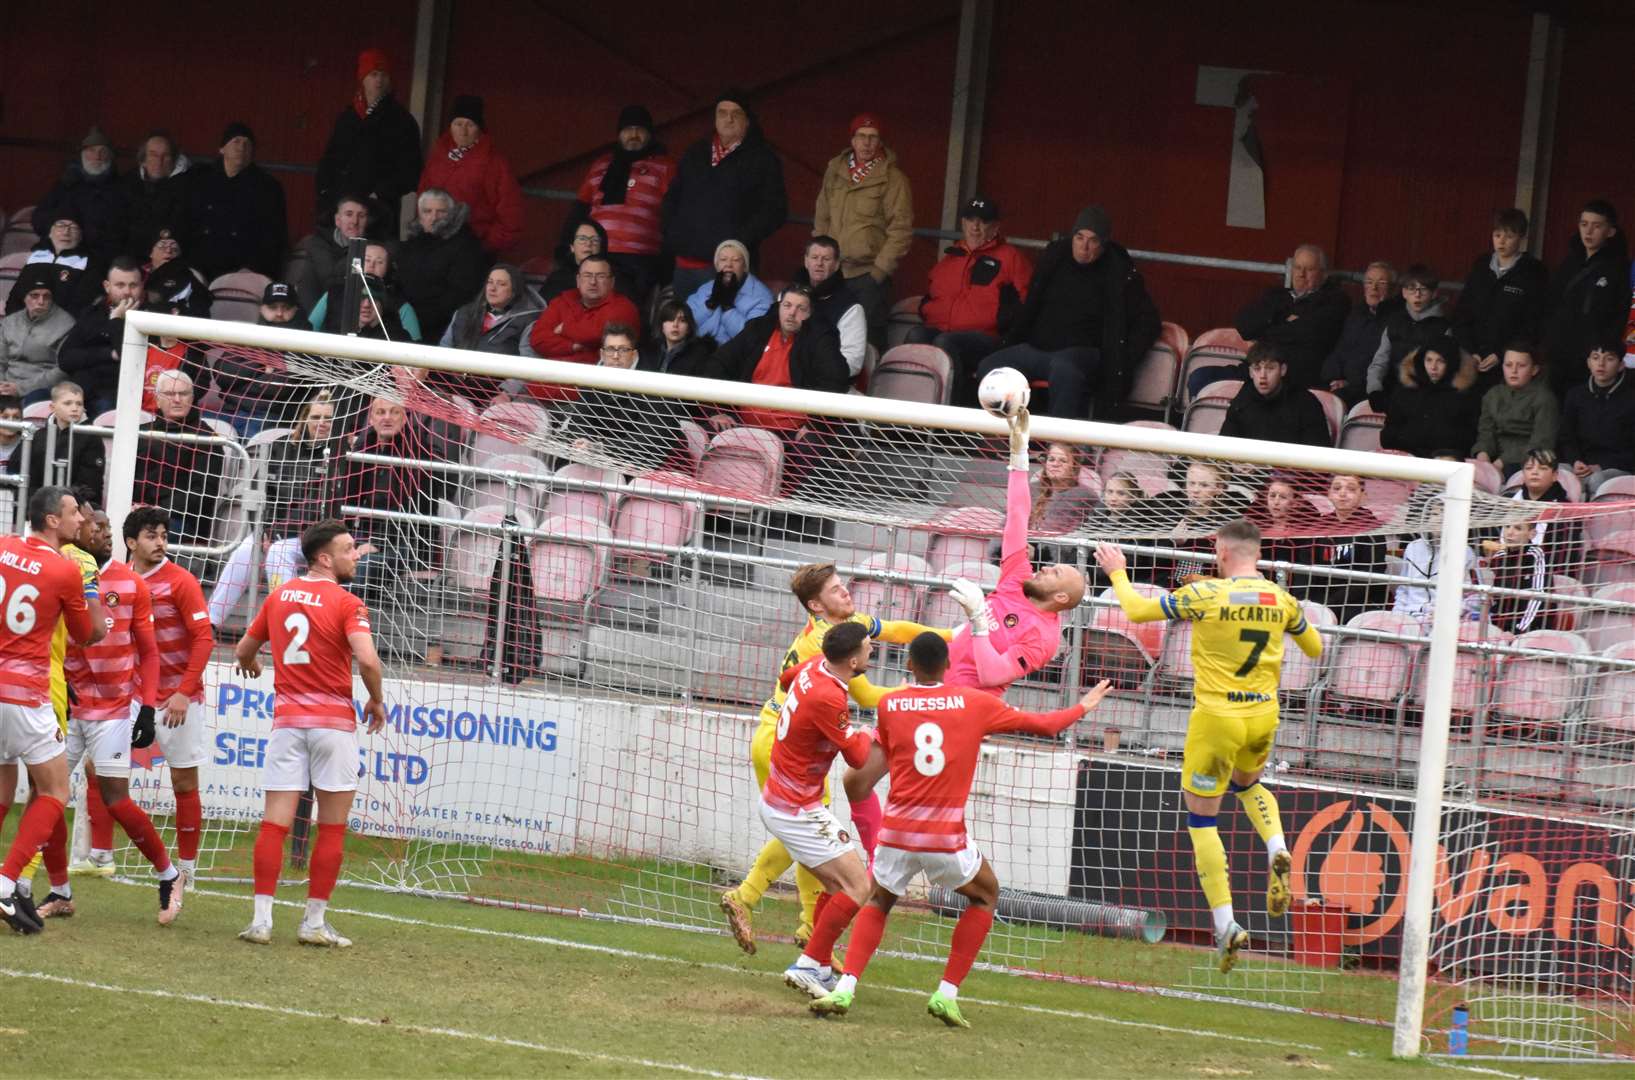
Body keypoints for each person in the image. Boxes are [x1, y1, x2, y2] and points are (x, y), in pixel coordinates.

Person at [808, 632, 1110, 1026]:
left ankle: (846, 986)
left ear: (910, 666)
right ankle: (946, 993)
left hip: (897, 830)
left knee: (879, 902)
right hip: (944, 836)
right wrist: (1083, 706)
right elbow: (1044, 725)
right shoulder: (976, 703)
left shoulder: (890, 704)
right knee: (986, 895)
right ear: (948, 665)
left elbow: (880, 753)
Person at [1095, 519, 1322, 972]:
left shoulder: (1207, 595)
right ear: (1257, 553)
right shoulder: (1282, 598)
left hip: (1217, 718)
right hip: (1262, 714)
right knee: (1249, 784)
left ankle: (1226, 925)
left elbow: (1138, 613)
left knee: (1202, 819)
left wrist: (1117, 572)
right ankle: (1276, 845)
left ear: (1220, 552)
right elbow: (1314, 649)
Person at [718, 562, 948, 954]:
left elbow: (896, 629)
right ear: (816, 605)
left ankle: (808, 925)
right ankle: (748, 896)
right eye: (835, 590)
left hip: (786, 730)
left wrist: (952, 637)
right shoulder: (824, 644)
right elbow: (867, 699)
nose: (846, 593)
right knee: (804, 828)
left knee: (809, 832)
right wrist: (918, 693)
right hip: (783, 737)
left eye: (844, 586)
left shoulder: (844, 627)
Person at [234, 519, 388, 947]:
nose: (356, 555)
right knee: (333, 828)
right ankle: (313, 922)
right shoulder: (347, 602)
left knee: (274, 822)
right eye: (349, 549)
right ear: (325, 558)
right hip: (333, 725)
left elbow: (245, 650)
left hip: (287, 723)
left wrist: (253, 664)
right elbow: (369, 661)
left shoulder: (280, 595)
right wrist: (375, 699)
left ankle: (261, 921)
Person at [51, 507, 182, 923]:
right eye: (97, 527)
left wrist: (145, 708)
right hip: (68, 705)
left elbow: (149, 651)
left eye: (108, 528)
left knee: (115, 797)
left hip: (112, 708)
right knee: (47, 796)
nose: (105, 534)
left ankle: (168, 874)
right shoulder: (60, 576)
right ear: (77, 532)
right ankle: (58, 890)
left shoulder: (130, 584)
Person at [0, 486, 105, 933]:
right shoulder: (65, 571)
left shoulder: (2, 546)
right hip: (26, 691)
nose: (80, 520)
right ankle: (7, 884)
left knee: (4, 789)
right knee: (54, 791)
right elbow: (86, 634)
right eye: (71, 514)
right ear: (49, 520)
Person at [755, 621, 878, 998]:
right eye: (869, 647)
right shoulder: (830, 696)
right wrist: (870, 732)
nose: (873, 651)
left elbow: (788, 676)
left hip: (788, 800)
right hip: (796, 809)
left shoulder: (813, 667)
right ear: (854, 659)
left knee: (835, 884)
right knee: (860, 886)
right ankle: (809, 965)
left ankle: (820, 966)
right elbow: (857, 757)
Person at [943, 410, 1086, 690]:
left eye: (1054, 572)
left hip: (967, 708)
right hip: (933, 688)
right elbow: (1018, 515)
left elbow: (992, 676)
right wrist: (1019, 457)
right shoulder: (1018, 577)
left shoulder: (1044, 638)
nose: (1044, 568)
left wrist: (978, 619)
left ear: (1060, 596)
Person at [978, 206, 1159, 419]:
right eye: (1079, 237)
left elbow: (1149, 321)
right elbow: (1029, 305)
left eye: (1092, 240)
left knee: (1065, 371)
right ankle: (1003, 435)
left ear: (1103, 244)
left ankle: (1059, 446)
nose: (1084, 246)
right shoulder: (1054, 260)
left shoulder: (1119, 273)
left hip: (1082, 352)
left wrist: (1122, 359)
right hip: (1038, 348)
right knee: (990, 366)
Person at [209, 392, 340, 626]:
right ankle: (210, 621)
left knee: (278, 553)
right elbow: (259, 495)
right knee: (244, 552)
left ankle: (282, 626)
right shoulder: (279, 448)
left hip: (316, 537)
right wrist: (263, 531)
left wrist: (276, 533)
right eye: (316, 416)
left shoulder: (338, 454)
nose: (321, 423)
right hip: (274, 532)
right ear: (304, 419)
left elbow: (316, 506)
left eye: (328, 418)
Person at [336, 398, 451, 664]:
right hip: (366, 539)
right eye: (380, 412)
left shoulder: (420, 455)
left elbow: (414, 514)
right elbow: (348, 501)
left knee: (360, 569)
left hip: (410, 544)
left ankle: (346, 642)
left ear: (404, 418)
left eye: (394, 412)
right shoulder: (363, 450)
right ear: (372, 418)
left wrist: (375, 542)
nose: (386, 418)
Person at [663, 90, 787, 299]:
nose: (728, 119)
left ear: (747, 121)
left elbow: (775, 210)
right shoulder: (696, 152)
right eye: (722, 113)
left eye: (736, 114)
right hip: (684, 264)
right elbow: (672, 197)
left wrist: (738, 242)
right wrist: (673, 234)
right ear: (715, 119)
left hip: (728, 267)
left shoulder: (762, 158)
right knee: (683, 327)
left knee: (723, 328)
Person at [908, 195, 1031, 406]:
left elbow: (1028, 302)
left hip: (988, 339)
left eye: (982, 221)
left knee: (945, 343)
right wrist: (926, 309)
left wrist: (1006, 329)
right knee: (916, 335)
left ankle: (949, 420)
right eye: (970, 220)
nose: (975, 227)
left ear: (995, 227)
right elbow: (930, 295)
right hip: (944, 331)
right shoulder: (951, 256)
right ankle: (909, 412)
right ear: (963, 223)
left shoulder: (1011, 257)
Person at [812, 113, 913, 345]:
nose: (867, 143)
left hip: (868, 276)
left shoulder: (893, 179)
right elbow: (822, 216)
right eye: (861, 136)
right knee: (827, 336)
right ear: (852, 140)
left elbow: (901, 230)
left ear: (880, 142)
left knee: (866, 342)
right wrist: (821, 259)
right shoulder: (835, 171)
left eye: (873, 137)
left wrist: (878, 272)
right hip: (834, 273)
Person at [701, 285, 850, 431]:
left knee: (811, 447)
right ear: (779, 308)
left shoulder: (820, 337)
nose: (792, 313)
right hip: (743, 423)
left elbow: (835, 379)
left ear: (810, 314)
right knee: (707, 431)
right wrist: (717, 410)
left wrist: (814, 425)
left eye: (801, 309)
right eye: (787, 305)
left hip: (794, 430)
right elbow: (718, 363)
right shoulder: (759, 329)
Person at [565, 105, 675, 300]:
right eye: (628, 129)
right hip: (595, 252)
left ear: (650, 134)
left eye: (639, 130)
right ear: (619, 134)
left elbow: (675, 215)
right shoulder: (601, 164)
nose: (633, 134)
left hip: (639, 259)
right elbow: (579, 210)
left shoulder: (664, 166)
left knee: (619, 303)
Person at [314, 48, 422, 236]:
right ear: (362, 78)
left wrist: (380, 194)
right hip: (341, 208)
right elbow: (330, 158)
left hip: (379, 212)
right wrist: (325, 190)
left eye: (383, 75)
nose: (379, 80)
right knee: (339, 258)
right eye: (373, 74)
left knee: (370, 261)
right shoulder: (348, 117)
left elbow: (411, 170)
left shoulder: (402, 120)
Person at [556, 324, 693, 472]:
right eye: (610, 349)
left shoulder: (654, 385)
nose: (615, 356)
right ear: (602, 354)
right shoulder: (592, 383)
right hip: (608, 462)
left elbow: (649, 440)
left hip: (659, 468)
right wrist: (583, 443)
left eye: (623, 350)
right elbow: (578, 423)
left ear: (634, 355)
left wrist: (600, 448)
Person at [1214, 244, 1349, 393]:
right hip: (1254, 369)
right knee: (1201, 376)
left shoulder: (1335, 301)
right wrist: (1283, 319)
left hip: (1293, 377)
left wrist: (1265, 330)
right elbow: (1244, 325)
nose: (1301, 274)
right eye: (1297, 268)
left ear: (1324, 274)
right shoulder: (1277, 295)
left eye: (1309, 269)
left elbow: (1309, 333)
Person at [1452, 209, 1548, 392]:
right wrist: (1470, 350)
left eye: (1509, 236)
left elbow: (1533, 323)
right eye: (1497, 235)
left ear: (1521, 237)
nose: (1501, 241)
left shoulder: (1533, 272)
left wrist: (1501, 352)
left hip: (1510, 363)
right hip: (1472, 360)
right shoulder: (1481, 266)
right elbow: (1462, 313)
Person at [418, 95, 524, 257]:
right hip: (434, 244)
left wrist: (483, 246)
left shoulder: (495, 163)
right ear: (450, 126)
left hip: (471, 250)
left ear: (480, 128)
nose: (463, 130)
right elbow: (422, 197)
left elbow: (511, 216)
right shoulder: (438, 155)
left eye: (470, 125)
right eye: (458, 124)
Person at [1544, 199, 1629, 398]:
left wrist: (1604, 351)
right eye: (1584, 224)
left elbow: (1620, 314)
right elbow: (1551, 303)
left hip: (1595, 359)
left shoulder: (1619, 269)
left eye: (1596, 225)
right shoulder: (1569, 262)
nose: (1588, 231)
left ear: (1610, 231)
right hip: (1560, 355)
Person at [524, 254, 642, 393]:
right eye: (587, 275)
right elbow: (537, 339)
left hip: (591, 395)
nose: (593, 281)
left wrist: (564, 328)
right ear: (578, 280)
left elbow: (595, 335)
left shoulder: (624, 307)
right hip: (541, 387)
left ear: (612, 282)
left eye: (600, 276)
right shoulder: (562, 300)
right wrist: (573, 346)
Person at [186, 121, 288, 280]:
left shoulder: (267, 188)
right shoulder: (199, 178)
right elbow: (185, 221)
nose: (241, 147)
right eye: (236, 141)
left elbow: (273, 237)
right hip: (198, 264)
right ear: (222, 148)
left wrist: (252, 269)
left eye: (247, 144)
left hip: (242, 269)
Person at [133, 370, 224, 546]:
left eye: (183, 394)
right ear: (157, 399)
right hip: (139, 511)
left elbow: (202, 494)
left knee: (148, 537)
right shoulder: (141, 433)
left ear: (192, 398)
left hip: (181, 520)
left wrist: (158, 511)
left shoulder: (207, 439)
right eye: (169, 394)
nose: (176, 399)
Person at [397, 189, 488, 343]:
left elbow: (461, 293)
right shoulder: (413, 243)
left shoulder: (466, 246)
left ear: (451, 214)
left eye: (441, 212)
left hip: (443, 328)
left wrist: (421, 317)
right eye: (427, 211)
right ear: (420, 215)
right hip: (406, 322)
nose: (434, 217)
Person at [55, 256, 145, 413]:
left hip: (122, 397)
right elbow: (65, 358)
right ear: (107, 286)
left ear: (142, 286)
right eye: (120, 285)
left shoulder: (152, 318)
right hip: (82, 393)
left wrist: (116, 320)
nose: (127, 292)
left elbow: (129, 358)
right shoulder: (92, 314)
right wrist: (109, 354)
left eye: (133, 285)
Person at [32, 126, 131, 264]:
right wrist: (62, 229)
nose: (97, 157)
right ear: (82, 154)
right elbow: (38, 219)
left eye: (103, 152)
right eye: (91, 151)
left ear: (111, 156)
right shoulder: (65, 185)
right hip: (60, 254)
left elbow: (124, 230)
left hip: (101, 259)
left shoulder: (122, 189)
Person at [1366, 265, 1450, 411]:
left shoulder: (1443, 329)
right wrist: (1374, 390)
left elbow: (1445, 372)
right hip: (1391, 396)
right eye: (1411, 289)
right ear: (1404, 293)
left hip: (1425, 402)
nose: (1417, 295)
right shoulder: (1394, 323)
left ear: (1434, 293)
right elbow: (1379, 363)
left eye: (1423, 289)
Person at [6, 381, 104, 506]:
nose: (75, 408)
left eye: (79, 404)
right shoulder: (38, 435)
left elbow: (89, 487)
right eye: (67, 403)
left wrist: (53, 501)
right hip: (34, 506)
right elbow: (16, 470)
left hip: (73, 509)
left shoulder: (92, 438)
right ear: (52, 407)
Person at [1217, 341, 1332, 447]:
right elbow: (1224, 446)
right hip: (1245, 467)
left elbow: (1317, 455)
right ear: (1250, 372)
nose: (1263, 375)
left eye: (1270, 368)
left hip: (1290, 468)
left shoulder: (1306, 403)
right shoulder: (1241, 402)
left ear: (1283, 370)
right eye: (1257, 369)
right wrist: (1237, 463)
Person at [1380, 340, 1480, 459]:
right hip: (1404, 459)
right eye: (1429, 360)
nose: (1433, 367)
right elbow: (1389, 433)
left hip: (1445, 462)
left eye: (1440, 361)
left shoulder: (1465, 397)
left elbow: (1469, 437)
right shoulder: (1405, 391)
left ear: (1452, 363)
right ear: (1421, 361)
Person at [1393, 495, 1482, 630]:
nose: (1438, 519)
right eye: (1434, 514)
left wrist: (1450, 613)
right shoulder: (1412, 548)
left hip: (1449, 620)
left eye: (1444, 514)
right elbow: (1403, 591)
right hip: (1410, 618)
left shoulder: (1465, 552)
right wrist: (1396, 617)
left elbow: (1475, 596)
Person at [1559, 342, 1635, 496]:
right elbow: (1567, 436)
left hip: (1615, 467)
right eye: (1595, 357)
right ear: (1588, 363)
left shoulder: (1631, 400)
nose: (1601, 364)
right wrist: (1575, 461)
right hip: (1580, 464)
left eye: (1609, 359)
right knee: (1555, 474)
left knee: (1597, 480)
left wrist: (1601, 466)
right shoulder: (1576, 395)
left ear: (1621, 365)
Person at [1311, 474, 1387, 625]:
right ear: (1328, 493)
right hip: (1321, 599)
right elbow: (1307, 566)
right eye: (1337, 488)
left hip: (1359, 602)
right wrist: (1312, 602)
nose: (1343, 493)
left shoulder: (1373, 530)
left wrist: (1330, 605)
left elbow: (1367, 578)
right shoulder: (1319, 527)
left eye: (1351, 489)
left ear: (1363, 496)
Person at [1321, 261, 1398, 408]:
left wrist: (1349, 383)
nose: (1373, 288)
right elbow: (1340, 349)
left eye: (1381, 283)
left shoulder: (1396, 321)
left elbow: (1382, 365)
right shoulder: (1357, 314)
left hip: (1367, 389)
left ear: (1393, 289)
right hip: (1341, 384)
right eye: (1369, 282)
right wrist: (1333, 378)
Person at [1471, 346, 1559, 474]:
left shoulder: (1544, 398)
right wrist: (1483, 457)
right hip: (1494, 460)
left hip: (1527, 462)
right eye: (1508, 365)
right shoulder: (1493, 394)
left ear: (1534, 369)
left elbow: (1541, 443)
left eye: (1521, 365)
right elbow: (1486, 432)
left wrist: (1500, 463)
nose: (1514, 370)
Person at [308, 242, 420, 339]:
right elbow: (309, 331)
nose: (372, 266)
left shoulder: (401, 306)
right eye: (367, 260)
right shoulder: (334, 294)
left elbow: (415, 350)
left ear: (388, 269)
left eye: (379, 262)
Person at [793, 235, 867, 378]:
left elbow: (852, 362)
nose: (819, 263)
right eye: (814, 257)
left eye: (826, 259)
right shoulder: (788, 296)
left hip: (826, 385)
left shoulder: (850, 308)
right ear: (806, 261)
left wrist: (811, 370)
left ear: (836, 265)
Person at [0, 264, 75, 400]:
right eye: (34, 296)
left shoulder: (66, 325)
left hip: (40, 390)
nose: (40, 302)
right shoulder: (9, 323)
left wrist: (20, 389)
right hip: (5, 387)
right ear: (24, 297)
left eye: (46, 296)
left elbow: (62, 370)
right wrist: (2, 386)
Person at [286, 194, 372, 311]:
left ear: (367, 221)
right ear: (337, 220)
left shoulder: (374, 249)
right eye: (349, 214)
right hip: (316, 314)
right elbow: (328, 282)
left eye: (361, 216)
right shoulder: (318, 243)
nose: (355, 221)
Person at [439, 263, 543, 358]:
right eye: (490, 282)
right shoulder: (464, 313)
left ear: (514, 291)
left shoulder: (529, 321)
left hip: (498, 379)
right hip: (452, 379)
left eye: (501, 284)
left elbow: (527, 365)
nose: (492, 288)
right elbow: (444, 351)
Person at [1507, 447, 1581, 575]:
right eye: (1529, 468)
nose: (1535, 472)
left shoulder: (1568, 512)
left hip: (1545, 576)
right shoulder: (1507, 501)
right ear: (1523, 474)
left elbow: (1563, 559)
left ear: (1554, 475)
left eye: (1542, 468)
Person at [7, 213, 98, 316]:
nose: (66, 232)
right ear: (50, 231)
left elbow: (80, 304)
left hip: (61, 326)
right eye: (61, 225)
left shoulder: (88, 263)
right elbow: (16, 297)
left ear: (81, 235)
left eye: (73, 228)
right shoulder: (36, 257)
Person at [122, 130, 193, 260]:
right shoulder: (128, 183)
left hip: (171, 259)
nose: (159, 161)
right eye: (153, 155)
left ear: (174, 160)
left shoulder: (187, 187)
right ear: (143, 159)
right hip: (132, 260)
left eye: (165, 156)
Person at [686, 239, 771, 346]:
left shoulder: (761, 296)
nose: (728, 265)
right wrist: (710, 305)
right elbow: (685, 324)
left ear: (745, 266)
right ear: (717, 266)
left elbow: (752, 338)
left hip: (734, 357)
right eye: (723, 259)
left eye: (736, 260)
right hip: (699, 351)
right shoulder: (705, 289)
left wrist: (728, 309)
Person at [1480, 520, 1550, 635]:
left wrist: (1518, 630)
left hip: (1530, 629)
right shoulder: (1499, 556)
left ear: (1532, 534)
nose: (1510, 532)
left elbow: (1539, 596)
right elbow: (1493, 598)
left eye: (1517, 528)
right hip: (1498, 625)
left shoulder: (1536, 555)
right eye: (1507, 526)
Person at [1030, 442, 1096, 534]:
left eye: (1063, 461)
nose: (1055, 464)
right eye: (1051, 460)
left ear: (1074, 466)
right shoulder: (1031, 489)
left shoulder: (1085, 496)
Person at [637, 298, 711, 377]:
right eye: (670, 319)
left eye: (682, 320)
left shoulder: (699, 356)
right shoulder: (649, 352)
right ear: (662, 326)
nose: (675, 325)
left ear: (689, 328)